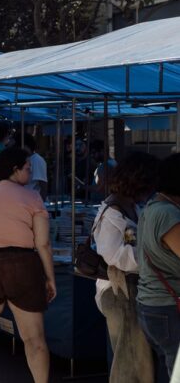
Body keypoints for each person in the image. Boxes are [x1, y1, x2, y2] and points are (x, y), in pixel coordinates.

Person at [0, 147, 56, 383]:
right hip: (22, 264)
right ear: (15, 170)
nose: (31, 173)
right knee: (34, 339)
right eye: (27, 168)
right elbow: (43, 243)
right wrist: (50, 277)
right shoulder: (33, 197)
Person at [92, 152, 159, 383]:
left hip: (130, 289)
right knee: (130, 359)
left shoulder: (131, 206)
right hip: (119, 291)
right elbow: (113, 254)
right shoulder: (112, 210)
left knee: (135, 359)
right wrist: (151, 255)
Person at [137, 153, 180, 379]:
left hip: (152, 304)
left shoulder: (152, 207)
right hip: (167, 306)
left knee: (168, 369)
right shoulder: (168, 213)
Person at [23, 134, 48, 201]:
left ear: (26, 146)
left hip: (33, 200)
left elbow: (43, 184)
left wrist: (42, 204)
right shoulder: (25, 159)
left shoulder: (37, 160)